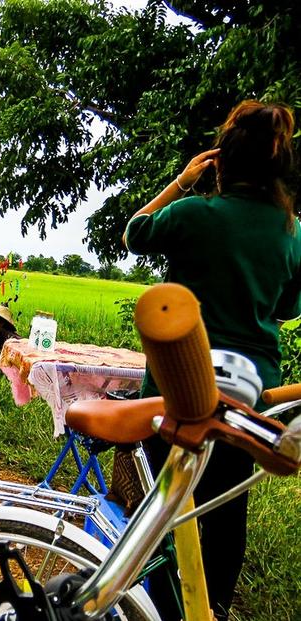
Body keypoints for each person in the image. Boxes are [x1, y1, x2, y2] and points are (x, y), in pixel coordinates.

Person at [123, 100, 301, 621]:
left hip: (180, 380)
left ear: (220, 161)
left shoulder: (194, 213)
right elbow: (288, 307)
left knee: (165, 501)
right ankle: (213, 608)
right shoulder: (292, 231)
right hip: (252, 390)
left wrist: (181, 181)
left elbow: (135, 230)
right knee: (225, 509)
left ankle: (159, 605)